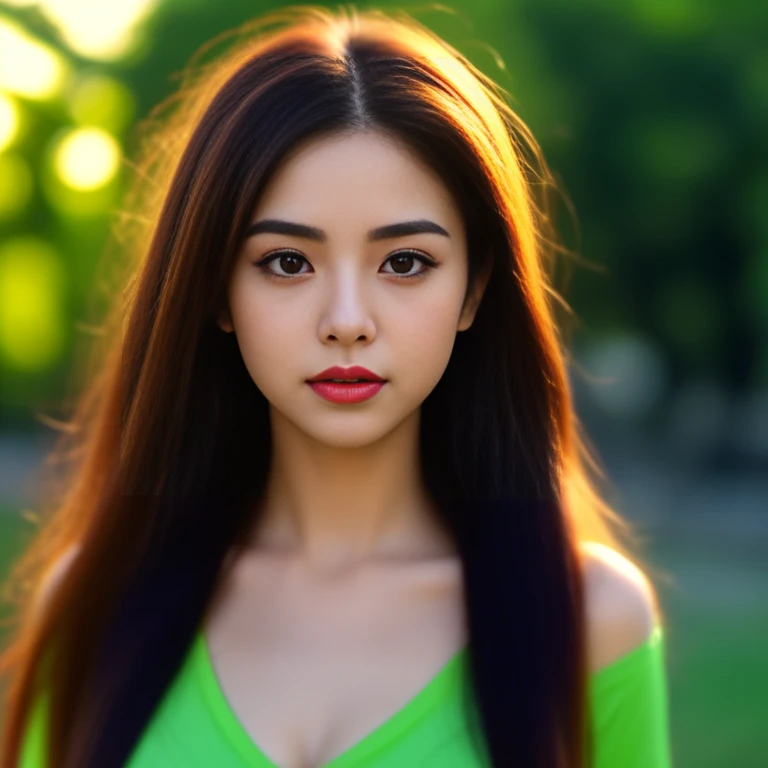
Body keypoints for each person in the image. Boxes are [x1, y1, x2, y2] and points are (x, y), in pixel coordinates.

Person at [0, 5, 671, 767]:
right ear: (215, 290)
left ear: (475, 289)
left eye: (405, 262)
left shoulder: (591, 621)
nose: (347, 321)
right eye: (287, 262)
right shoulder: (94, 599)